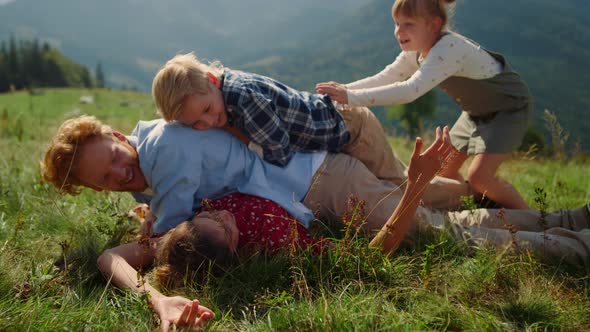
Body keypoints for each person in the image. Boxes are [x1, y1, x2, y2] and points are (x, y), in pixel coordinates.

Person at [42, 116, 590, 328]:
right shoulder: (160, 189)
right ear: (95, 190)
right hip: (318, 183)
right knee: (438, 220)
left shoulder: (168, 150)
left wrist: (153, 232)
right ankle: (571, 217)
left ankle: (576, 243)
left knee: (444, 236)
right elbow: (117, 253)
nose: (121, 170)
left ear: (116, 133)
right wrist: (158, 297)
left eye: (114, 157)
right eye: (105, 179)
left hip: (320, 181)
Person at [316, 0, 533, 209]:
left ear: (434, 24)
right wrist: (343, 90)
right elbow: (388, 76)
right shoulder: (417, 51)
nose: (399, 32)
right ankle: (484, 204)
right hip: (474, 113)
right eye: (397, 23)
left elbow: (410, 90)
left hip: (507, 109)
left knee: (479, 176)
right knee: (442, 175)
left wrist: (349, 97)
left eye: (408, 24)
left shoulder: (449, 48)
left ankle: (535, 221)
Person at [151, 52, 407, 186]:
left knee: (399, 184)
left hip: (350, 127)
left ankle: (448, 203)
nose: (208, 124)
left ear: (212, 80)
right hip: (337, 132)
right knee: (392, 180)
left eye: (206, 110)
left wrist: (234, 133)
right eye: (195, 123)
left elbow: (280, 153)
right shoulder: (225, 94)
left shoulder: (244, 100)